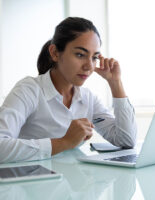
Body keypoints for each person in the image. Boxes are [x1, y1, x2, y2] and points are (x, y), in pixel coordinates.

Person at [0, 17, 137, 163]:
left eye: (94, 57)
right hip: (31, 181)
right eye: (80, 54)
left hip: (71, 181)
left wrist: (115, 82)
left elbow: (126, 141)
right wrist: (64, 142)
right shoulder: (29, 90)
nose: (89, 66)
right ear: (54, 53)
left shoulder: (87, 98)